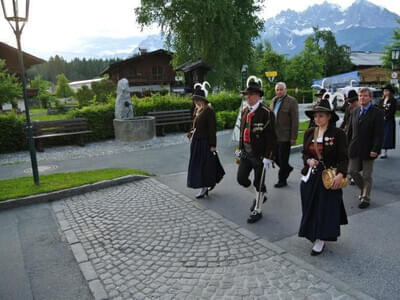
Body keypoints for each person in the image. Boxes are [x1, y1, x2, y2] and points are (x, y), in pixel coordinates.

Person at [299, 99, 348, 256]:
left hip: (328, 178)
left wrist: (340, 174)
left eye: (320, 116)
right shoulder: (309, 133)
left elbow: (344, 158)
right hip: (310, 177)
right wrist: (308, 160)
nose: (317, 119)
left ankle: (321, 238)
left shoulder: (338, 134)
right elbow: (305, 153)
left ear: (329, 117)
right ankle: (312, 232)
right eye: (315, 116)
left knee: (324, 208)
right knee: (310, 207)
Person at [237, 77, 277, 223]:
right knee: (241, 178)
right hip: (247, 153)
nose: (248, 97)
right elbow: (242, 132)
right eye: (247, 94)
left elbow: (272, 137)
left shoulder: (266, 113)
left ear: (258, 95)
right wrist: (240, 148)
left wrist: (268, 156)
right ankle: (259, 196)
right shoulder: (245, 111)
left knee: (258, 183)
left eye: (251, 94)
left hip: (260, 155)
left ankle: (258, 210)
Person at [348, 87, 384, 209]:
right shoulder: (355, 111)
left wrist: (376, 149)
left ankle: (365, 198)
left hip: (369, 149)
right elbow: (350, 131)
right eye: (360, 96)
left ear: (370, 98)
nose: (362, 98)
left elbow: (379, 134)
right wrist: (347, 146)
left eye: (365, 96)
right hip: (354, 148)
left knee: (367, 175)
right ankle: (364, 189)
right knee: (352, 171)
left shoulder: (377, 113)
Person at [187, 82, 222, 198]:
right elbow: (195, 126)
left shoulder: (209, 111)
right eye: (194, 99)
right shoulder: (197, 110)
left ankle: (204, 187)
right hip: (196, 142)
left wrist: (212, 144)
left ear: (203, 99)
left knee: (204, 166)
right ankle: (204, 186)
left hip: (205, 142)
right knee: (197, 165)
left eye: (197, 99)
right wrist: (191, 132)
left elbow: (212, 129)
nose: (195, 102)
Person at [271, 82, 299, 188]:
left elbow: (295, 121)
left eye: (281, 89)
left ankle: (282, 180)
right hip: (275, 136)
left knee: (283, 159)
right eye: (277, 90)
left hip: (285, 136)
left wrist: (293, 137)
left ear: (285, 90)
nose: (279, 91)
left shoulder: (291, 101)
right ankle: (287, 168)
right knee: (274, 157)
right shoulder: (274, 100)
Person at [378, 84, 396, 159]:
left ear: (390, 92)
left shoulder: (393, 100)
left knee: (387, 136)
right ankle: (379, 150)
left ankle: (384, 152)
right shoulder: (381, 100)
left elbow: (393, 111)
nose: (385, 92)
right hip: (381, 120)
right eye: (384, 91)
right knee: (380, 135)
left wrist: (386, 117)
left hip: (389, 120)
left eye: (386, 91)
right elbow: (379, 109)